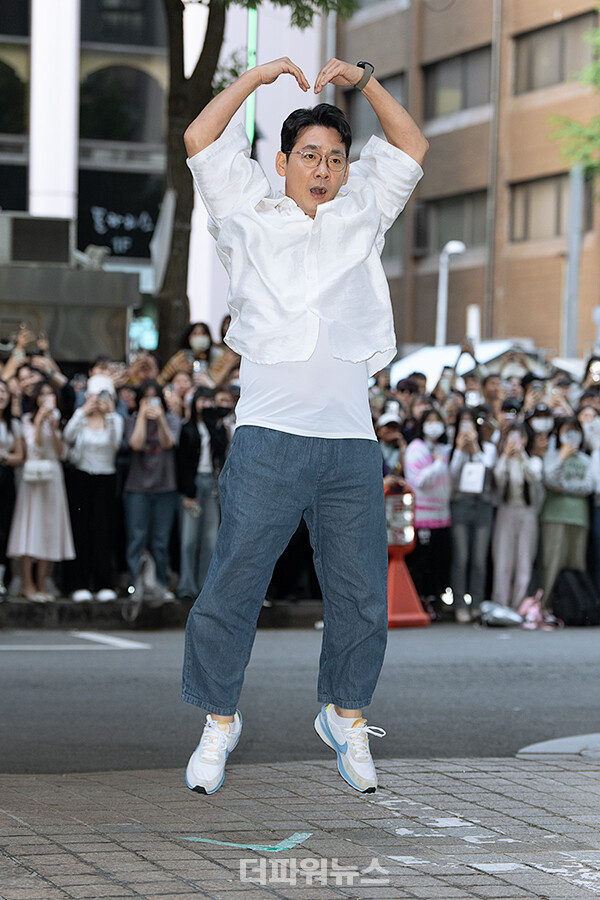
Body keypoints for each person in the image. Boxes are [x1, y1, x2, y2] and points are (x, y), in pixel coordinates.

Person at [182, 55, 428, 795]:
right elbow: (199, 134)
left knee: (358, 595)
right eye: (309, 157)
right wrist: (257, 81)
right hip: (267, 436)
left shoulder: (364, 213)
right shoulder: (246, 213)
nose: (323, 169)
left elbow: (411, 145)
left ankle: (345, 715)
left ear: (347, 170)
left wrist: (366, 83)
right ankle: (218, 722)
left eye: (335, 158)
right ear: (282, 162)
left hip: (351, 442)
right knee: (234, 586)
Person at [7, 380, 75, 600]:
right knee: (30, 528)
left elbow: (62, 452)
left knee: (50, 529)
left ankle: (43, 582)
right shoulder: (26, 420)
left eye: (50, 394)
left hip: (53, 476)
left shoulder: (59, 421)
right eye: (42, 394)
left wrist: (54, 428)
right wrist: (39, 421)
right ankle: (27, 583)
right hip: (33, 477)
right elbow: (33, 445)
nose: (46, 398)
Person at [63, 374, 124, 602]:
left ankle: (103, 583)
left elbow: (114, 445)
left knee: (103, 530)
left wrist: (108, 416)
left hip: (105, 478)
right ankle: (78, 583)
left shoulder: (115, 419)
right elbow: (67, 436)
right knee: (80, 530)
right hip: (81, 477)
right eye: (94, 395)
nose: (98, 400)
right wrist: (82, 412)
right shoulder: (81, 416)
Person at [123, 379, 181, 600]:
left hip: (165, 487)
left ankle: (162, 584)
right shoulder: (130, 421)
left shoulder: (172, 420)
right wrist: (140, 416)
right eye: (145, 398)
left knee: (160, 539)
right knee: (136, 538)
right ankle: (134, 584)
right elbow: (136, 444)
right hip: (137, 487)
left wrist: (160, 421)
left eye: (153, 398)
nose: (150, 403)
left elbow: (169, 443)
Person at [176, 386, 229, 601]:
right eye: (202, 401)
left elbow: (221, 450)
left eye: (210, 401)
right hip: (193, 485)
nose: (206, 405)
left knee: (210, 539)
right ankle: (187, 586)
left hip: (211, 484)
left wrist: (213, 424)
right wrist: (187, 492)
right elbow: (181, 461)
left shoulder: (216, 427)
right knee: (189, 539)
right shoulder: (186, 427)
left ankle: (205, 587)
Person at [449, 407, 497, 622]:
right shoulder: (453, 449)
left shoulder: (488, 448)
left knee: (479, 558)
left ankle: (476, 603)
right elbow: (451, 476)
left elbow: (487, 470)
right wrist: (460, 449)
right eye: (463, 424)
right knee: (462, 556)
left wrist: (475, 447)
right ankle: (460, 604)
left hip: (483, 505)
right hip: (460, 504)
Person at [403, 409, 451, 617]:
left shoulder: (441, 448)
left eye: (437, 420)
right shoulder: (416, 449)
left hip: (442, 515)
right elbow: (418, 480)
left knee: (437, 563)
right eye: (429, 421)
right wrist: (438, 464)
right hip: (423, 517)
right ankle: (416, 601)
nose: (434, 425)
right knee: (419, 563)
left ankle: (432, 601)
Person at [491, 424, 543, 609]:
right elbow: (498, 477)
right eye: (512, 437)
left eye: (519, 437)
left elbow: (533, 476)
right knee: (503, 559)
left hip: (527, 513)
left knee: (524, 560)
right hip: (506, 511)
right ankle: (501, 603)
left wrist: (521, 455)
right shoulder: (502, 460)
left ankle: (519, 603)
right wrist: (506, 455)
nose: (515, 441)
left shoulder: (533, 460)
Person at [0, 379, 25, 596]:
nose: (1, 395)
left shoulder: (13, 423)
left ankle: (2, 578)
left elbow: (19, 455)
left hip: (6, 477)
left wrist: (3, 457)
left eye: (3, 392)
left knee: (4, 527)